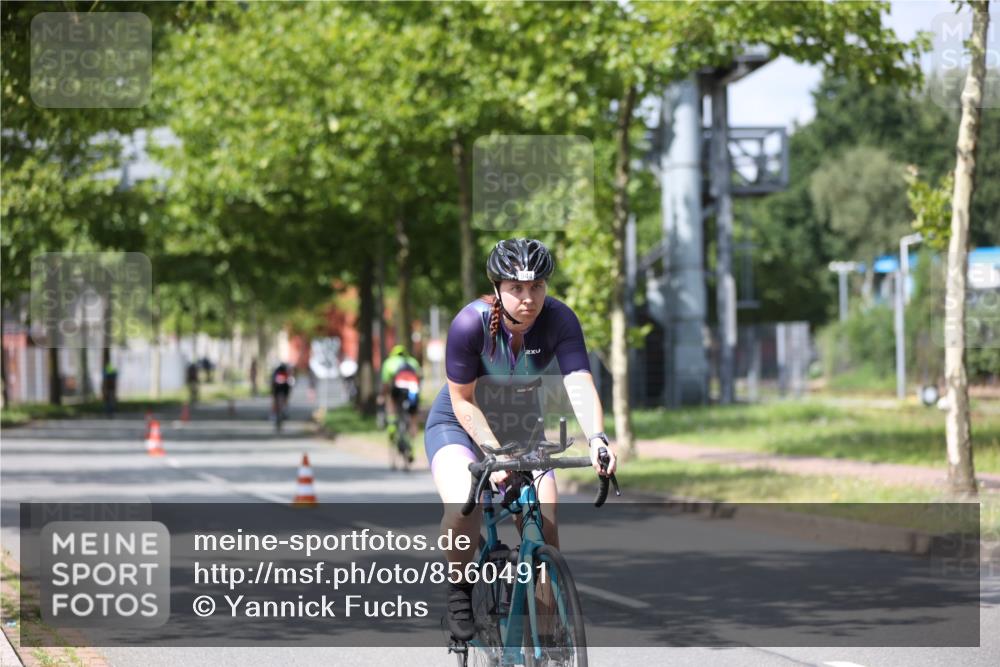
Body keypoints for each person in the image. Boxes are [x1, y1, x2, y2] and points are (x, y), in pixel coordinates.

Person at [424, 238, 618, 641]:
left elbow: (578, 381)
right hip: (459, 423)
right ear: (496, 288)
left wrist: (597, 438)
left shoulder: (560, 319)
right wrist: (493, 459)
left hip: (521, 426)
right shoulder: (469, 323)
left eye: (537, 287)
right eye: (516, 288)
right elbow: (462, 401)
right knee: (466, 503)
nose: (528, 298)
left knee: (544, 524)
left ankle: (546, 643)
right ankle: (460, 590)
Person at [379, 344, 422, 461]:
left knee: (391, 401)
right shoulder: (413, 361)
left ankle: (392, 424)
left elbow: (386, 384)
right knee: (413, 416)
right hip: (412, 389)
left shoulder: (389, 362)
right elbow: (419, 377)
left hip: (398, 388)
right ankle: (412, 446)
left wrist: (382, 396)